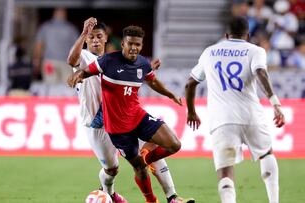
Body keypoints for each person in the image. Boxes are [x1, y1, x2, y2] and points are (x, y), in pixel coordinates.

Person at [67, 17, 193, 203]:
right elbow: (72, 60)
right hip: (97, 124)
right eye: (91, 37)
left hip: (125, 116)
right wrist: (84, 32)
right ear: (86, 39)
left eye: (98, 36)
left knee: (154, 154)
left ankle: (172, 196)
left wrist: (148, 70)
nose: (94, 40)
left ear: (106, 38)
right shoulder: (85, 57)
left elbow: (132, 71)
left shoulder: (115, 58)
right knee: (112, 169)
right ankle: (109, 193)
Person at [185, 17, 285, 203]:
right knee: (266, 153)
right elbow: (261, 73)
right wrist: (275, 103)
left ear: (225, 35)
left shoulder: (210, 52)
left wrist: (191, 111)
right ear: (247, 35)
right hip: (252, 115)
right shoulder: (255, 50)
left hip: (222, 119)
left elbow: (190, 83)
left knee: (226, 170)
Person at [33, 7, 78, 84]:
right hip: (65, 63)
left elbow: (39, 45)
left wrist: (36, 61)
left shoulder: (45, 27)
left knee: (50, 85)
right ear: (65, 14)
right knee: (66, 88)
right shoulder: (71, 28)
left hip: (50, 62)